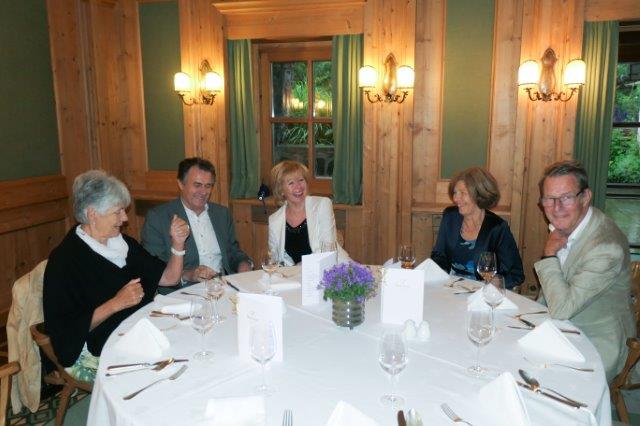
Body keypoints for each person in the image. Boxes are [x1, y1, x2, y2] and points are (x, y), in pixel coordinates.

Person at [43, 170, 188, 382]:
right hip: (99, 348)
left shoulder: (121, 243)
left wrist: (178, 244)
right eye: (118, 212)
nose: (125, 218)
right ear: (93, 214)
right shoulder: (65, 261)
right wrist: (115, 303)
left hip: (140, 332)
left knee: (188, 343)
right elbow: (64, 332)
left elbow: (169, 278)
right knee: (169, 371)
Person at [534, 160, 634, 382]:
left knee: (538, 381)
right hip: (559, 330)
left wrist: (549, 254)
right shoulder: (572, 224)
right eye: (549, 198)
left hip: (596, 341)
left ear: (585, 197)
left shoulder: (605, 247)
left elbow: (562, 309)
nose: (556, 207)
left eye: (566, 197)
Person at [141, 157, 252, 289]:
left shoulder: (222, 214)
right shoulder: (159, 218)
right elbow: (152, 267)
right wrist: (188, 274)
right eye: (197, 185)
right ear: (181, 184)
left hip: (222, 287)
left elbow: (232, 252)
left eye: (208, 186)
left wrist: (243, 264)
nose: (203, 192)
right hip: (182, 292)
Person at [430, 167, 524, 289]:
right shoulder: (450, 217)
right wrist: (437, 275)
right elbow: (439, 255)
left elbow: (516, 273)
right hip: (450, 289)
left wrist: (497, 282)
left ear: (480, 194)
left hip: (481, 292)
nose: (455, 199)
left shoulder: (497, 228)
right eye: (455, 193)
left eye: (463, 193)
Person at [268, 160, 349, 265]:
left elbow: (327, 249)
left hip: (332, 269)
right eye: (291, 183)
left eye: (301, 180)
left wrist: (300, 267)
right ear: (281, 190)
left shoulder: (322, 205)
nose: (298, 187)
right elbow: (275, 258)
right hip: (294, 274)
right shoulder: (274, 220)